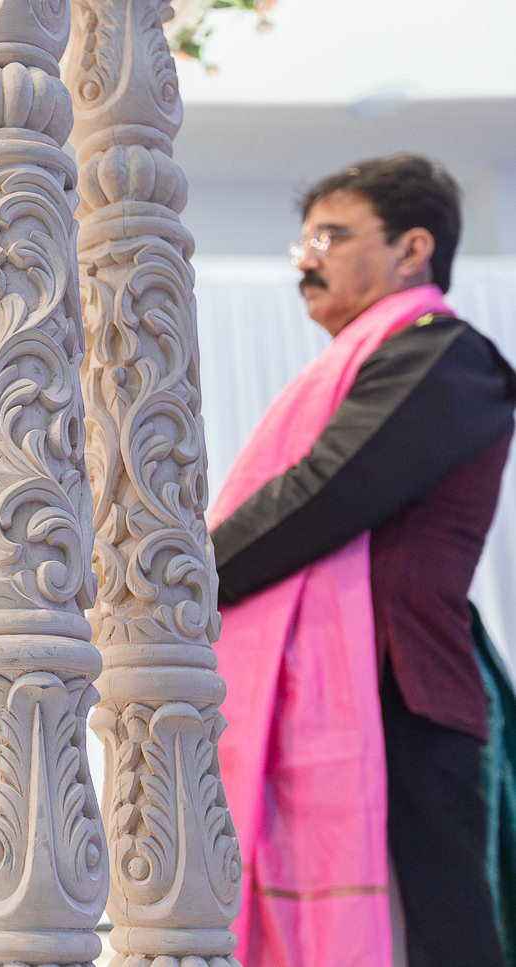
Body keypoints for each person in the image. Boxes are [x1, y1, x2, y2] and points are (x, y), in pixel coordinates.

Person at [208, 154, 516, 966]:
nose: (305, 262)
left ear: (413, 248)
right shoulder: (363, 364)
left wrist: (176, 580)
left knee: (436, 936)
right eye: (303, 243)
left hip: (402, 689)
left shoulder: (448, 356)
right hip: (360, 684)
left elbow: (327, 491)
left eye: (331, 238)